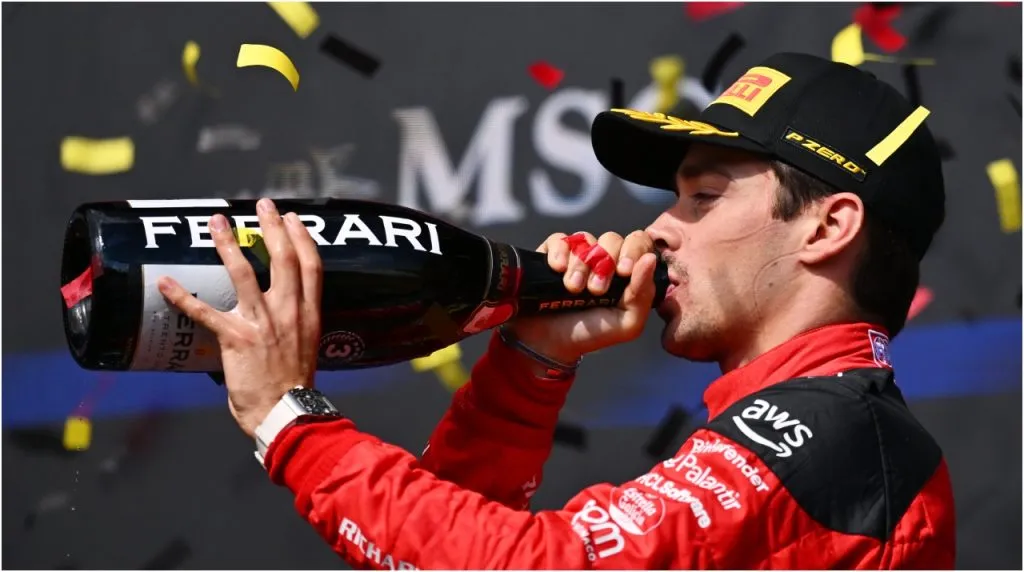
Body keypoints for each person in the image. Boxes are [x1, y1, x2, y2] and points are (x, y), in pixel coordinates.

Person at [160, 52, 956, 569]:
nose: (656, 230)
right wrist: (528, 366)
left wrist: (290, 422)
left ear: (830, 225)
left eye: (704, 197)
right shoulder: (820, 427)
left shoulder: (839, 434)